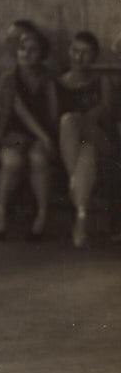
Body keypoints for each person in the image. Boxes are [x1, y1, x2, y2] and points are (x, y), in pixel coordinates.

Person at [0, 23, 60, 241]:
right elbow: (19, 113)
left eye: (33, 50)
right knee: (12, 162)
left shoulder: (49, 77)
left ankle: (42, 215)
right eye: (22, 48)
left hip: (43, 133)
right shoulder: (8, 78)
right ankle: (0, 210)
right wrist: (43, 137)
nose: (26, 53)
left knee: (39, 158)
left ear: (42, 55)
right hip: (14, 132)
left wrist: (48, 139)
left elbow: (54, 113)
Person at [57, 31, 114, 248]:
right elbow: (54, 123)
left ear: (95, 56)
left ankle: (73, 186)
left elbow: (108, 120)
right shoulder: (59, 82)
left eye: (85, 52)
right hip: (76, 147)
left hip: (104, 141)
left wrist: (86, 120)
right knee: (86, 151)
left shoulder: (102, 80)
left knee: (70, 121)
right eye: (74, 51)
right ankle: (81, 219)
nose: (78, 57)